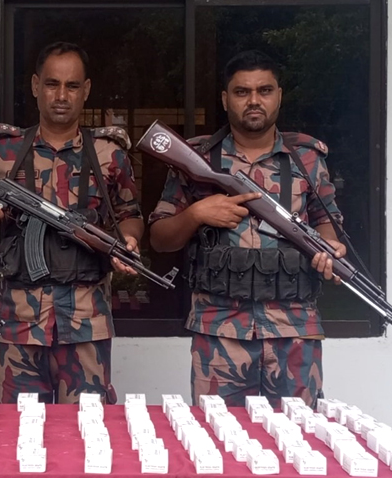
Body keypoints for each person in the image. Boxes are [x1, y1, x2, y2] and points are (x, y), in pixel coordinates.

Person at [0, 41, 141, 405]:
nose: (61, 95)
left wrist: (127, 242)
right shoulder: (3, 152)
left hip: (86, 321)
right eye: (52, 84)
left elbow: (130, 215)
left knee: (86, 427)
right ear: (36, 86)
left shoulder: (109, 155)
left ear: (86, 90)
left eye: (72, 86)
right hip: (19, 321)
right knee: (16, 428)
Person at [148, 50, 346, 409]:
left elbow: (327, 224)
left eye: (264, 90)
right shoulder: (198, 158)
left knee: (298, 436)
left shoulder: (307, 159)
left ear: (278, 96)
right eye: (242, 92)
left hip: (294, 331)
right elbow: (159, 240)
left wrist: (330, 252)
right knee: (215, 436)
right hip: (219, 331)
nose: (254, 100)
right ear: (226, 100)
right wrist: (196, 213)